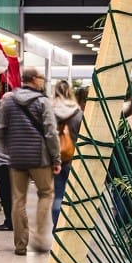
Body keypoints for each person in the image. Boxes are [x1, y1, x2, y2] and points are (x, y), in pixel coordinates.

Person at [0, 67, 60, 256]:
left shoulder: (9, 102)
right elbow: (50, 132)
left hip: (17, 158)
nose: (43, 81)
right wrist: (56, 157)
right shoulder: (42, 101)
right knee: (46, 194)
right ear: (33, 80)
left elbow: (1, 129)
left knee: (18, 200)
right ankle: (40, 237)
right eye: (41, 78)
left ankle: (20, 245)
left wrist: (9, 150)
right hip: (40, 157)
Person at [51, 80, 83, 228]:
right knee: (75, 197)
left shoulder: (51, 111)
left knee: (58, 195)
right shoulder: (78, 112)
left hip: (56, 159)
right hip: (74, 158)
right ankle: (72, 230)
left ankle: (57, 230)